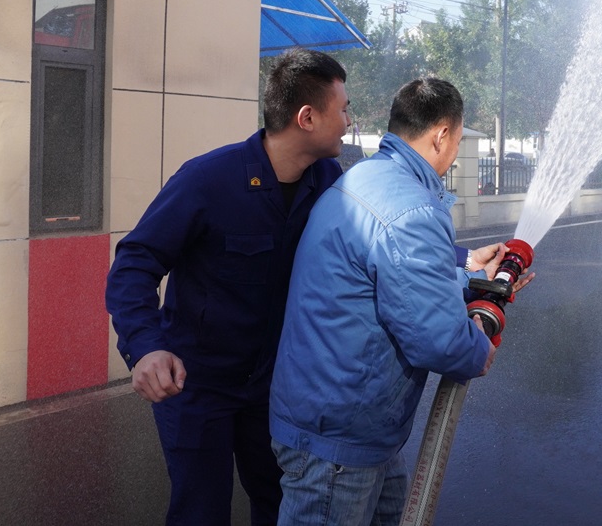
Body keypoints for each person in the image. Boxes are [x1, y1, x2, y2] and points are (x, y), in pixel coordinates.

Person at [105, 51, 502, 526]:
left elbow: (379, 244)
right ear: (307, 118)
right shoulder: (208, 180)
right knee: (200, 510)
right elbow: (135, 262)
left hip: (274, 386)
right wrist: (145, 347)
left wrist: (463, 262)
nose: (350, 122)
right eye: (344, 109)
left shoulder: (327, 180)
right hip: (198, 384)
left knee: (280, 505)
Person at [269, 77, 533, 526]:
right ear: (442, 134)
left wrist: (473, 279)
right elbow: (439, 342)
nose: (454, 154)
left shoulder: (366, 178)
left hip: (344, 422)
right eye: (457, 139)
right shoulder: (413, 209)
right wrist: (479, 346)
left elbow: (392, 281)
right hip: (339, 442)